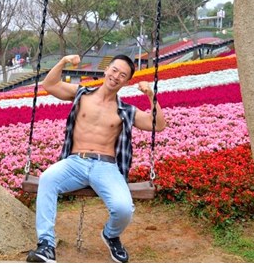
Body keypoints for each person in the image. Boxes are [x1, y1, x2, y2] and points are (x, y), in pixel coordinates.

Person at [27, 54, 166, 264]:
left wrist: (150, 95)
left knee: (123, 209)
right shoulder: (81, 94)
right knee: (47, 179)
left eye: (123, 75)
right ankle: (46, 245)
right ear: (106, 70)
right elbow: (50, 85)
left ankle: (111, 235)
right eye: (114, 70)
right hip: (75, 163)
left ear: (126, 82)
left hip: (106, 166)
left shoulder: (126, 110)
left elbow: (158, 125)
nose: (116, 76)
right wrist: (64, 61)